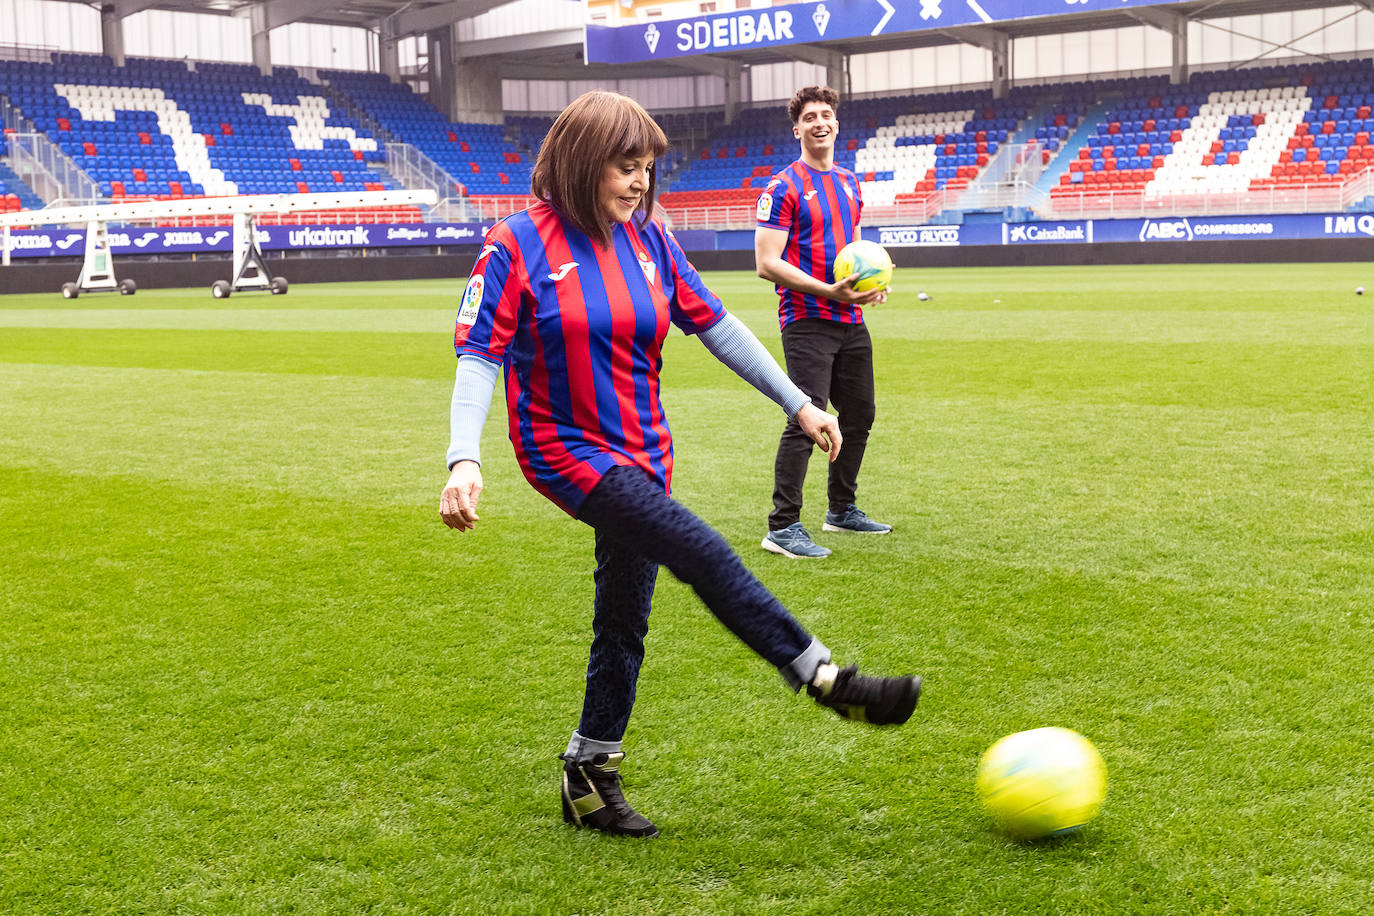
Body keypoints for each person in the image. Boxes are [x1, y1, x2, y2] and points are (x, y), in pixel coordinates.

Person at [438, 91, 922, 839]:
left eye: (647, 169)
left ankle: (588, 773)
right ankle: (825, 678)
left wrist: (798, 402)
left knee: (625, 617)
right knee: (700, 548)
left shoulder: (651, 240)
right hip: (566, 451)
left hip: (644, 449)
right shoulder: (516, 244)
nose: (639, 183)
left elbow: (718, 327)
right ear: (578, 162)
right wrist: (463, 458)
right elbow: (478, 357)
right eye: (624, 167)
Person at [755, 85, 892, 560]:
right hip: (806, 318)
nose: (819, 122)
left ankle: (841, 509)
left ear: (836, 124)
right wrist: (827, 291)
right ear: (798, 130)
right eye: (809, 116)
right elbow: (766, 262)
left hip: (849, 318)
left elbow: (854, 252)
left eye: (826, 114)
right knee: (805, 417)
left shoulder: (851, 184)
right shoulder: (782, 187)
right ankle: (783, 526)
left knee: (860, 415)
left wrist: (868, 285)